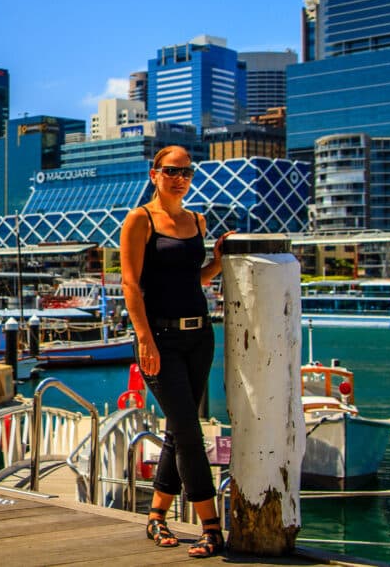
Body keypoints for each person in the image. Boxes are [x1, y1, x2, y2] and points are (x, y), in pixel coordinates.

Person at [119, 145, 233, 559]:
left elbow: (192, 279)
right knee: (189, 432)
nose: (179, 178)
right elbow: (131, 286)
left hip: (200, 338)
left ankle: (156, 515)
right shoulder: (140, 220)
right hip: (160, 339)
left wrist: (217, 262)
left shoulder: (197, 220)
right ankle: (211, 525)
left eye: (186, 171)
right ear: (154, 174)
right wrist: (144, 339)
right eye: (171, 171)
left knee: (177, 428)